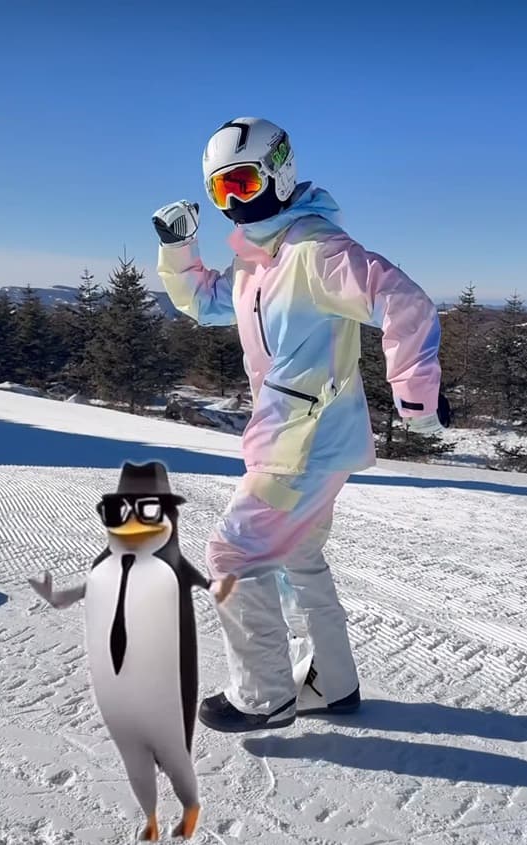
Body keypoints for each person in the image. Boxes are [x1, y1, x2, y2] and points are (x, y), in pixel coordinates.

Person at [151, 117, 443, 733]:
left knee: (234, 552)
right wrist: (179, 249)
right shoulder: (262, 259)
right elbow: (206, 303)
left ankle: (263, 696)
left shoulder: (314, 251)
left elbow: (401, 299)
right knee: (296, 555)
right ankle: (331, 683)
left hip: (303, 442)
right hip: (300, 435)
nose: (234, 201)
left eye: (243, 182)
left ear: (279, 173)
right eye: (221, 190)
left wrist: (415, 394)